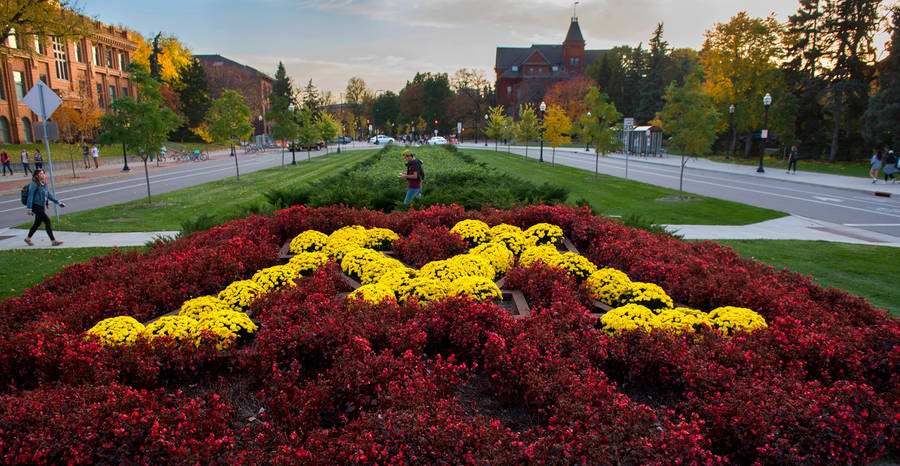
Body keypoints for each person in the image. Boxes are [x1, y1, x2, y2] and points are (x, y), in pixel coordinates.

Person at [24, 169, 65, 246]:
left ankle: (28, 238)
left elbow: (49, 195)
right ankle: (53, 241)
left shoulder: (43, 184)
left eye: (43, 173)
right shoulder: (34, 184)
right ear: (36, 175)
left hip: (42, 206)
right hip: (36, 206)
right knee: (47, 221)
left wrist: (58, 202)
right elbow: (30, 196)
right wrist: (29, 208)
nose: (43, 175)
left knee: (37, 223)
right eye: (41, 173)